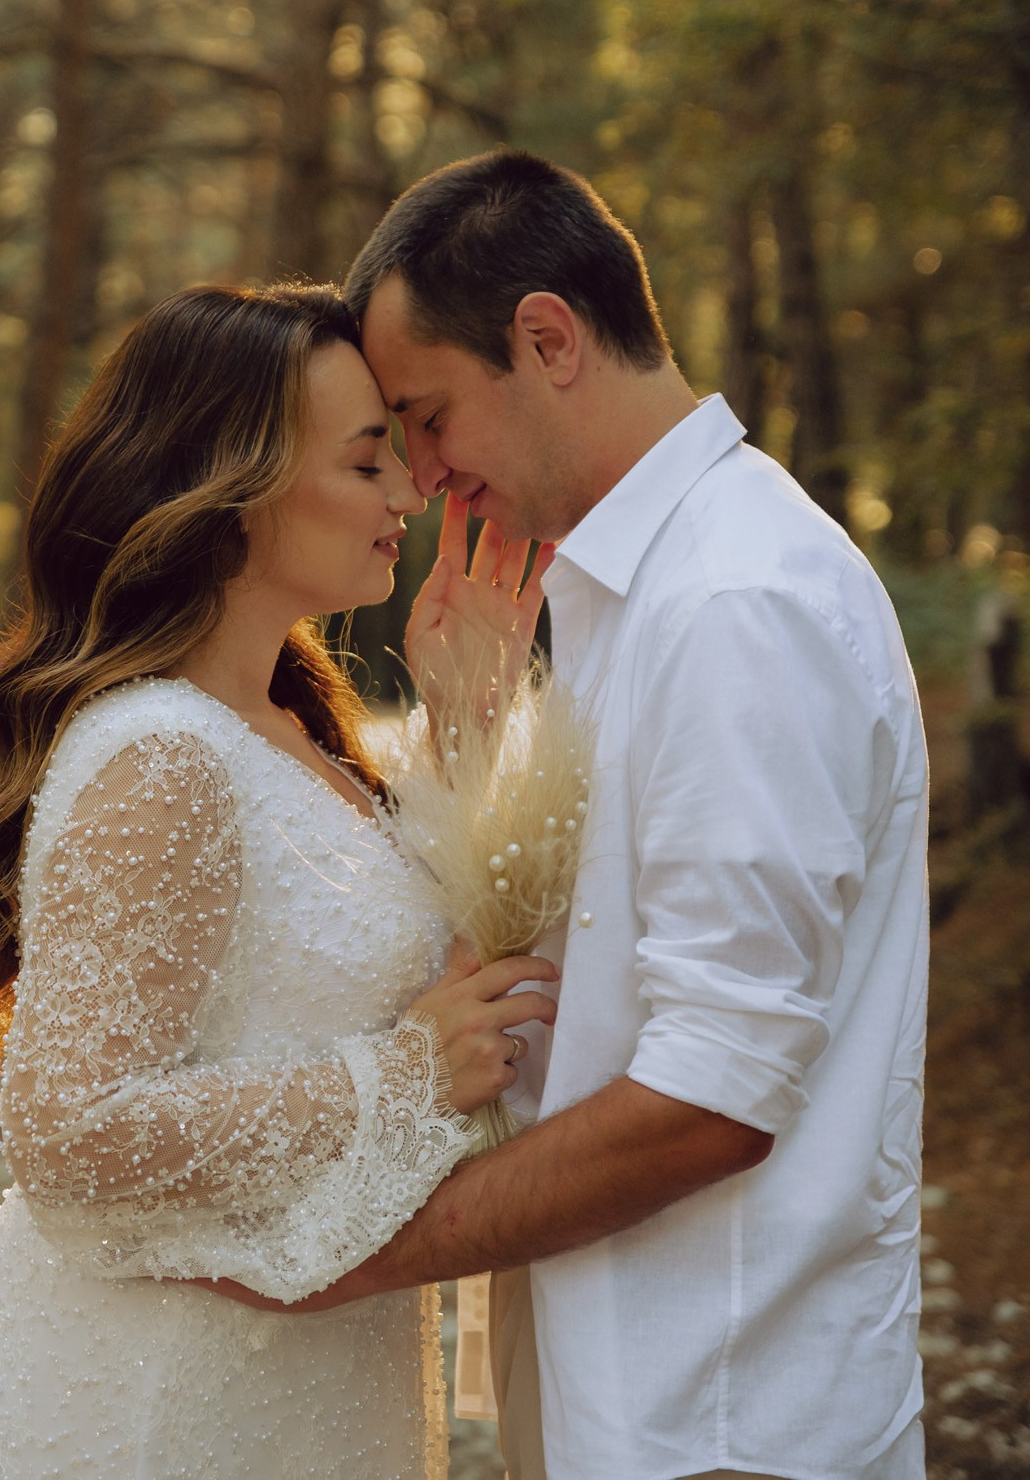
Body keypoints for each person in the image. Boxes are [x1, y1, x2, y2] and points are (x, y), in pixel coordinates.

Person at [216, 150, 931, 1480]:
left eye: (428, 416)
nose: (426, 476)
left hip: (722, 1407)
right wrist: (471, 741)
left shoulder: (735, 603)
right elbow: (579, 989)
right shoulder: (624, 592)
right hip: (624, 1380)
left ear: (547, 340)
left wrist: (356, 1255)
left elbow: (716, 1091)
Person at [0, 283, 557, 1480]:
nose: (408, 494)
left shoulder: (299, 736)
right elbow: (67, 1135)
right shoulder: (161, 756)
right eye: (365, 460)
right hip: (156, 1406)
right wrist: (401, 1078)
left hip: (300, 1385)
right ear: (234, 493)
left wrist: (466, 727)